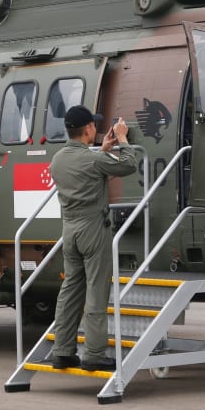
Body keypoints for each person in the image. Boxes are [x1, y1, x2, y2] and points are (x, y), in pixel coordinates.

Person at [49, 106, 138, 372]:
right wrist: (122, 140)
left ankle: (62, 350)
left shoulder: (59, 159)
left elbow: (88, 168)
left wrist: (102, 151)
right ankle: (94, 354)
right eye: (93, 126)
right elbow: (129, 165)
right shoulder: (92, 159)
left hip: (70, 231)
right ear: (88, 129)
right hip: (93, 230)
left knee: (70, 291)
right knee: (96, 291)